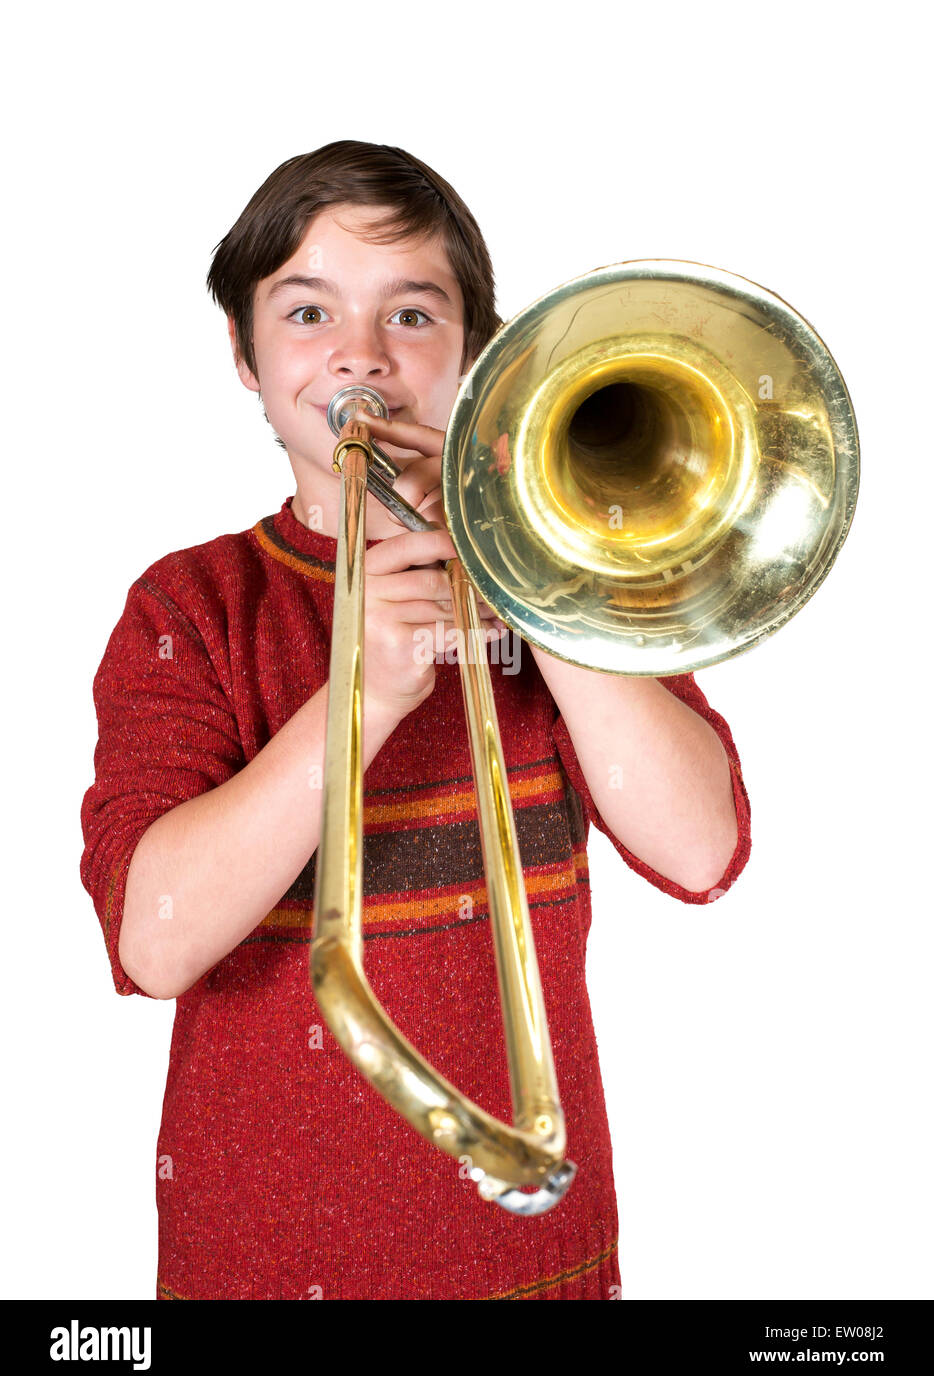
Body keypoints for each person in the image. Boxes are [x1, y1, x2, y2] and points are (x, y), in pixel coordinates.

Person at [79, 140, 752, 1301]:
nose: (359, 354)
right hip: (262, 1264)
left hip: (530, 1253)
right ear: (242, 355)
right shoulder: (189, 606)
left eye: (411, 313)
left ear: (477, 354)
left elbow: (702, 851)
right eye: (306, 311)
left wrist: (535, 577)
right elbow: (154, 940)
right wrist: (358, 702)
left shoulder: (576, 574)